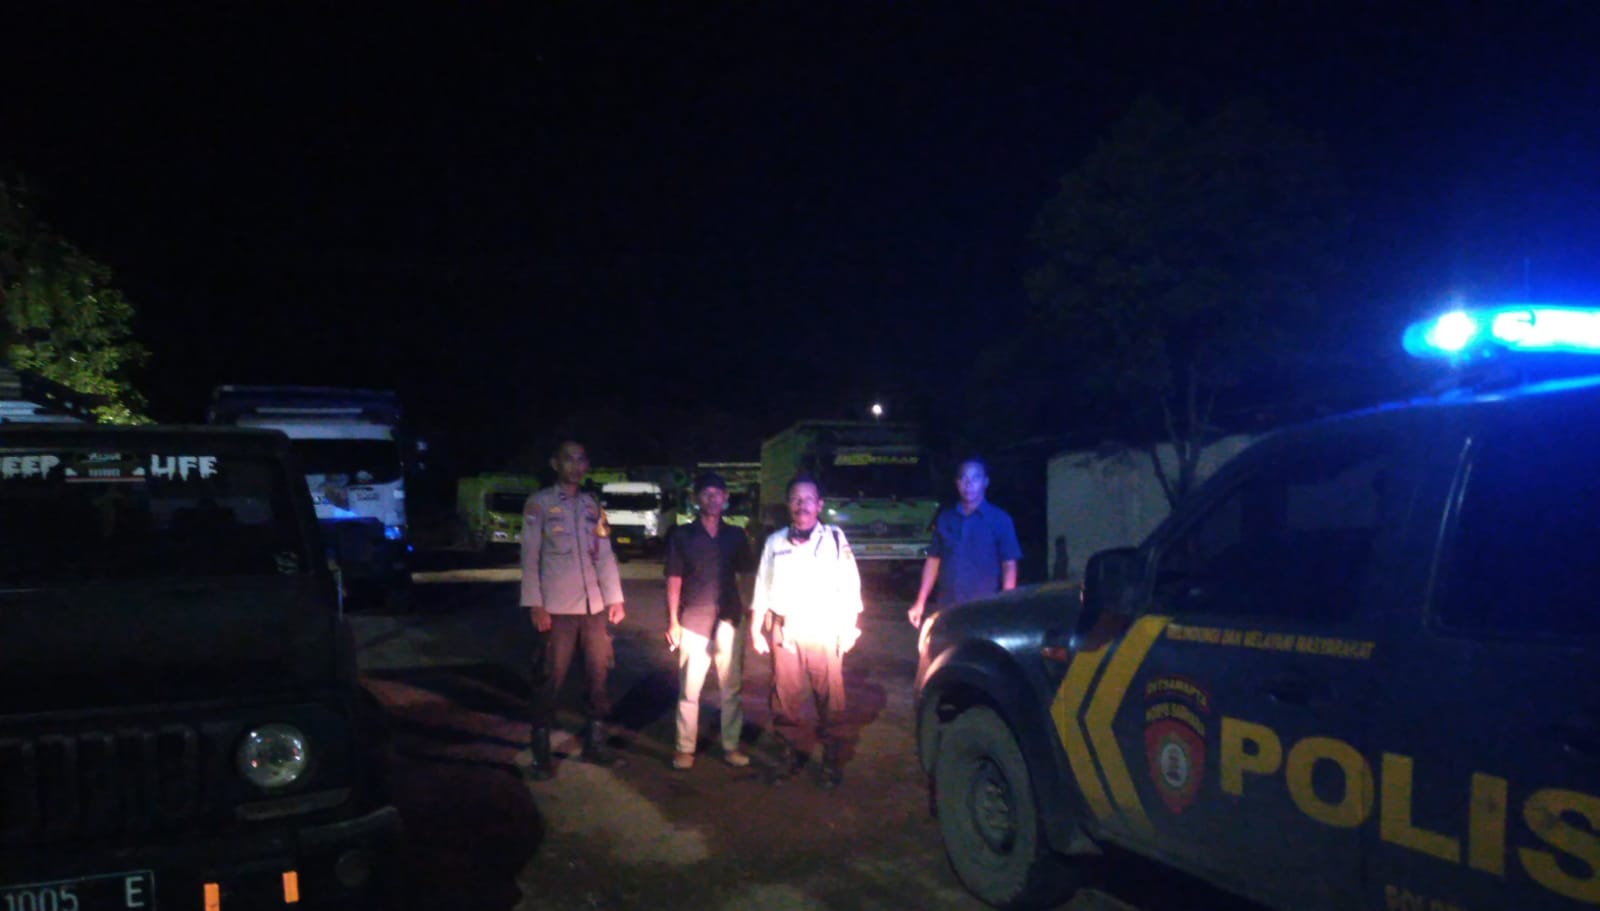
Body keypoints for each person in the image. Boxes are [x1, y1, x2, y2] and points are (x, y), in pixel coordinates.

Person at [520, 440, 627, 780]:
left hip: (593, 607)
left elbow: (605, 554)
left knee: (598, 676)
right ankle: (541, 752)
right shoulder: (539, 504)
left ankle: (595, 743)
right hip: (557, 608)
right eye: (569, 459)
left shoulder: (592, 505)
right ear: (555, 464)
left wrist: (615, 598)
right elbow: (530, 557)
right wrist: (535, 603)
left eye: (581, 460)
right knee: (549, 679)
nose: (576, 466)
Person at [750, 474, 863, 789]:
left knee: (831, 700)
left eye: (809, 499)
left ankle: (831, 762)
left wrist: (849, 628)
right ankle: (787, 756)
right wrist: (756, 630)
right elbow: (761, 587)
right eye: (796, 499)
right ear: (789, 504)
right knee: (784, 698)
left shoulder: (835, 539)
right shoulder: (775, 542)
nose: (803, 505)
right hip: (785, 631)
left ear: (820, 504)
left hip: (824, 629)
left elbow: (851, 585)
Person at [664, 471, 755, 770]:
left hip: (730, 620)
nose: (712, 498)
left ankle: (731, 746)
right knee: (689, 691)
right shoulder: (682, 535)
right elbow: (674, 578)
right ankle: (685, 748)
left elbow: (748, 575)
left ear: (726, 498)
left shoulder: (736, 535)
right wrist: (673, 621)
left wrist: (751, 613)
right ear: (695, 499)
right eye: (706, 493)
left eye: (718, 493)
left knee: (731, 689)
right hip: (693, 620)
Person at [906, 457, 1021, 629]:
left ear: (985, 482)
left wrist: (1006, 603)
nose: (969, 484)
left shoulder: (1000, 520)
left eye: (975, 478)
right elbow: (933, 560)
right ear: (957, 483)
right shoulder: (946, 518)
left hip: (984, 607)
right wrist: (920, 601)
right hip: (947, 606)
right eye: (964, 478)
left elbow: (1009, 565)